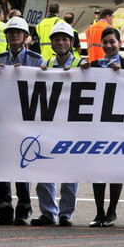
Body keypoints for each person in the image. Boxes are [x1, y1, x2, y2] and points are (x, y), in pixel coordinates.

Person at [0, 16, 44, 225]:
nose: (14, 36)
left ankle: (23, 209)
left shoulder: (36, 60)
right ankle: (3, 210)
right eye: (11, 33)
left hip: (25, 120)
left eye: (18, 33)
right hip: (3, 120)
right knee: (1, 164)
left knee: (23, 164)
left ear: (25, 37)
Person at [32, 22, 82, 227]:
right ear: (51, 43)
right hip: (49, 126)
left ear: (71, 42)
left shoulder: (82, 64)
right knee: (45, 169)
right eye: (57, 39)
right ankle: (48, 212)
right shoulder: (46, 66)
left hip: (73, 127)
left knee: (70, 172)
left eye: (65, 39)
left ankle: (65, 214)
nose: (60, 43)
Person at [80, 27, 124, 226]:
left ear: (120, 43)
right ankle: (99, 211)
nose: (109, 46)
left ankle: (112, 210)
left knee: (115, 169)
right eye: (105, 43)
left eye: (112, 42)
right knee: (97, 169)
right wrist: (81, 72)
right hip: (97, 124)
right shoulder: (93, 65)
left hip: (120, 124)